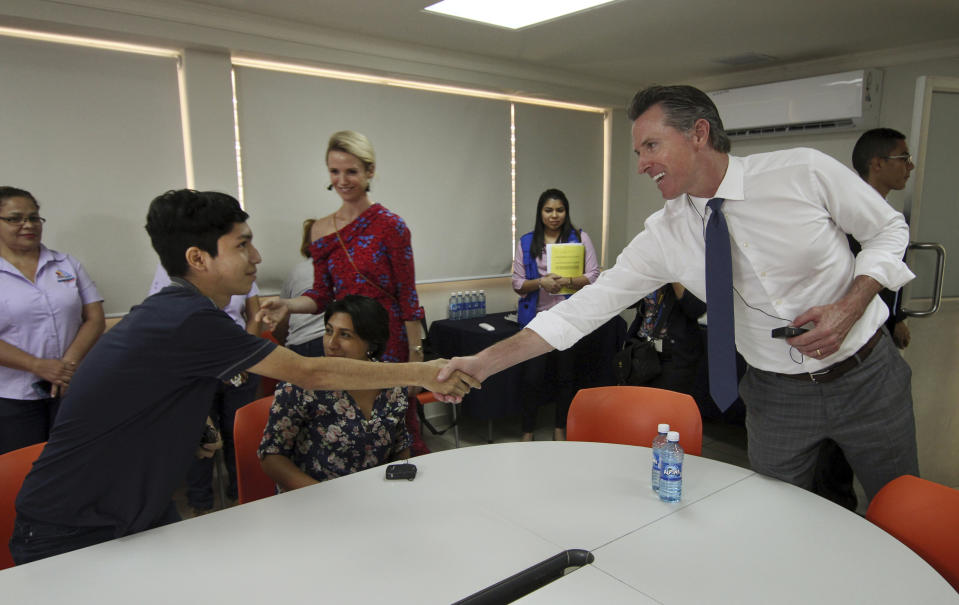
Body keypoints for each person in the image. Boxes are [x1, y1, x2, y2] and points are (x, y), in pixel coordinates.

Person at [439, 85, 918, 505]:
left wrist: (852, 304)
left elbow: (888, 229)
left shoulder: (803, 172)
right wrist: (485, 362)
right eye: (637, 152)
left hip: (868, 375)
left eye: (651, 145)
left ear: (699, 134)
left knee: (900, 507)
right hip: (776, 395)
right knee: (777, 513)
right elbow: (582, 310)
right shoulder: (664, 235)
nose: (643, 163)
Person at [10, 189, 476, 566]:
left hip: (139, 507)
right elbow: (308, 371)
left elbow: (146, 391)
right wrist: (425, 369)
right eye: (241, 244)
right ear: (198, 257)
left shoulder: (180, 313)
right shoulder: (188, 318)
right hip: (72, 525)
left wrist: (197, 426)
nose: (256, 255)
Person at [257, 130, 430, 455]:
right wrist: (287, 305)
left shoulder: (391, 226)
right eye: (335, 172)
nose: (343, 180)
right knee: (348, 431)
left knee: (396, 430)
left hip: (387, 342)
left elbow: (408, 299)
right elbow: (321, 295)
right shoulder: (321, 229)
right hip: (343, 341)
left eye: (351, 171)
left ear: (369, 171)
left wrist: (415, 358)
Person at [813, 127, 918, 511]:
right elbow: (846, 284)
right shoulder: (843, 217)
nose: (910, 167)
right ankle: (834, 512)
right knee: (832, 456)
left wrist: (897, 318)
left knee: (888, 466)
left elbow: (884, 274)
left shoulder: (889, 219)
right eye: (902, 158)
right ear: (877, 164)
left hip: (874, 340)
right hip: (837, 346)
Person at [259, 295, 410, 490]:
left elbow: (400, 445)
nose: (331, 343)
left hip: (374, 496)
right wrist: (322, 495)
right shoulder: (301, 386)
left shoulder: (392, 383)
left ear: (371, 344)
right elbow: (272, 456)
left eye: (345, 335)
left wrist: (397, 489)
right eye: (328, 331)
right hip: (316, 500)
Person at [149, 263, 262, 515]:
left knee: (240, 433)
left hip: (239, 361)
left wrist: (244, 357)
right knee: (199, 437)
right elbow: (162, 320)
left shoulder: (235, 260)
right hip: (195, 367)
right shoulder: (169, 265)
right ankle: (201, 504)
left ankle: (242, 499)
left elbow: (255, 315)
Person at [0, 186, 105, 455]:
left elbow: (94, 317)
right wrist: (37, 366)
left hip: (69, 388)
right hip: (12, 398)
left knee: (72, 466)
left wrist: (66, 367)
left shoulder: (65, 263)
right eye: (15, 218)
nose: (28, 225)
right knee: (23, 474)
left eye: (34, 217)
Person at [512, 188, 600, 441]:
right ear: (540, 213)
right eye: (548, 210)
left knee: (565, 377)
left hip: (568, 319)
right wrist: (541, 282)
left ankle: (560, 428)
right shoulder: (527, 241)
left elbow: (593, 274)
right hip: (536, 322)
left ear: (566, 212)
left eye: (559, 210)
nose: (554, 215)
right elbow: (518, 283)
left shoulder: (579, 237)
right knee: (532, 379)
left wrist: (568, 281)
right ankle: (527, 431)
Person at [623, 283, 705, 396]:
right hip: (642, 351)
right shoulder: (650, 271)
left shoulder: (687, 272)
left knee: (666, 407)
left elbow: (696, 309)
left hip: (674, 356)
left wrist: (673, 275)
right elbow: (626, 302)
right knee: (639, 405)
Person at [270, 219, 326, 358]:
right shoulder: (347, 270)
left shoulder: (297, 271)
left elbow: (280, 321)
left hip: (301, 344)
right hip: (338, 343)